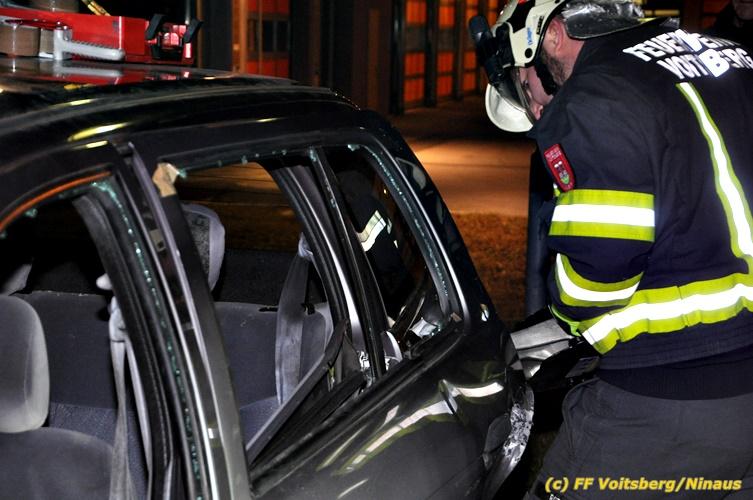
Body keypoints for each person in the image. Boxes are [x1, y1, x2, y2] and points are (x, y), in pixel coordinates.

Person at [483, 1, 753, 498]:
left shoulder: (593, 97)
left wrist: (562, 309)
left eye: (523, 82)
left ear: (552, 34)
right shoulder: (729, 57)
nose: (535, 108)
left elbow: (599, 273)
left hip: (663, 402)